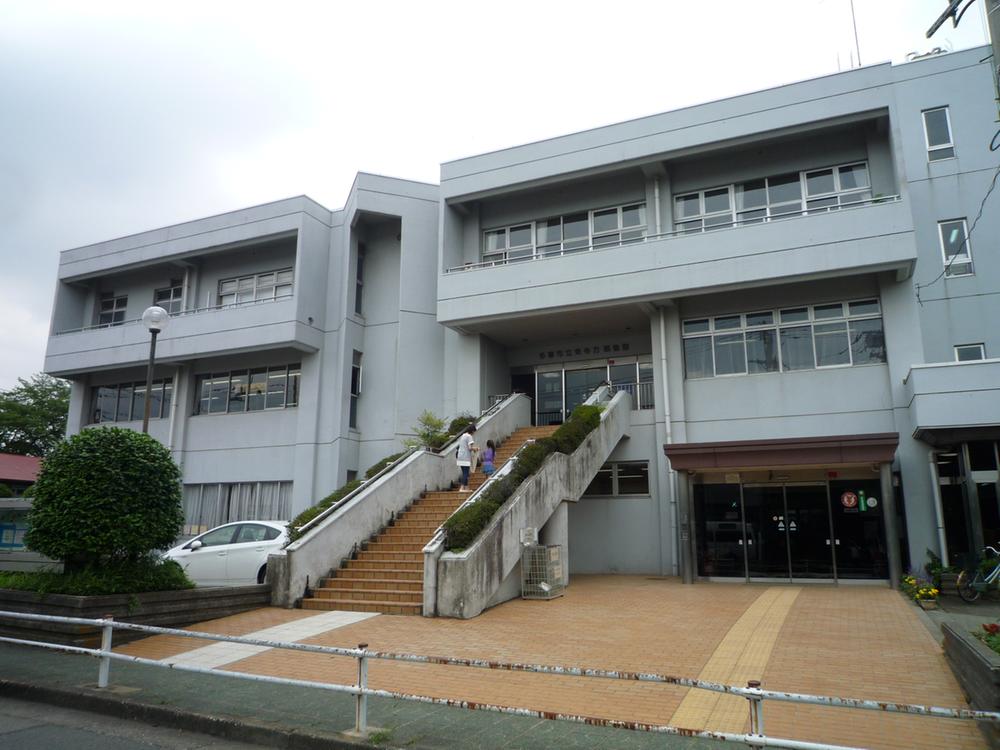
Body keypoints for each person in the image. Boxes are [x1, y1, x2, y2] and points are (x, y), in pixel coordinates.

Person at [456, 424, 478, 491]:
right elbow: (470, 448)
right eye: (474, 431)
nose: (474, 433)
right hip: (465, 457)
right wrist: (476, 448)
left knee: (464, 472)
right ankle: (462, 488)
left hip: (460, 456)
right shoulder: (469, 436)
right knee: (466, 473)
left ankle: (466, 488)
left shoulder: (463, 435)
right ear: (472, 431)